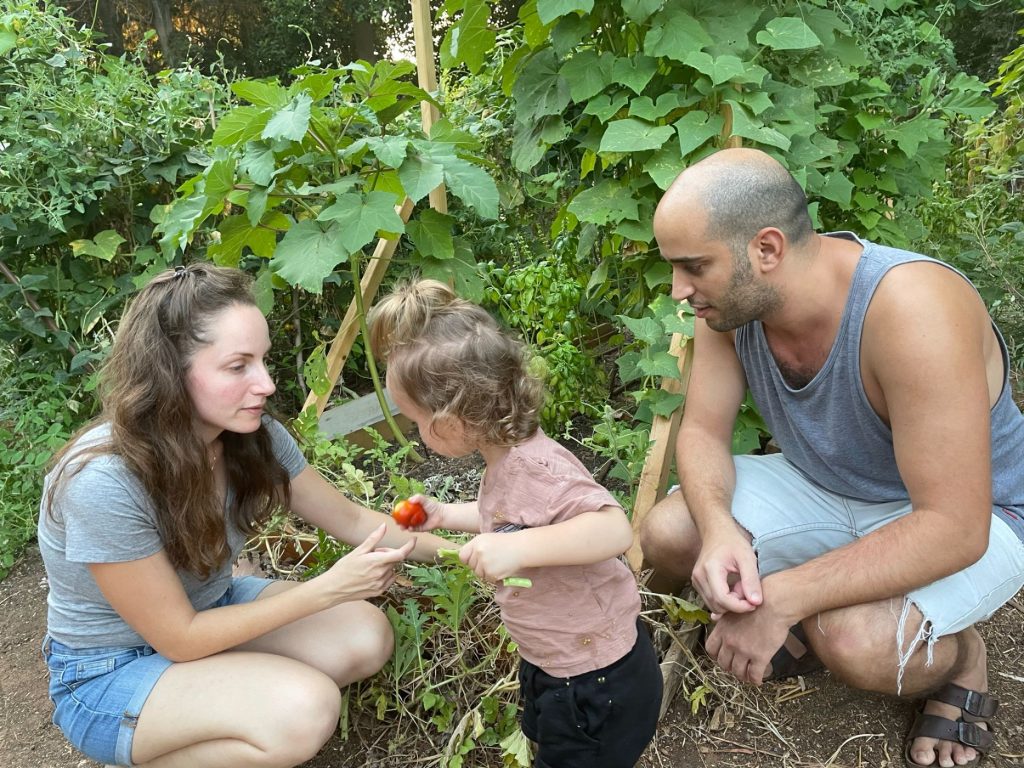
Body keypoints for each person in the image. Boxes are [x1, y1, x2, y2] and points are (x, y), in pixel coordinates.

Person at [638, 147, 1024, 768]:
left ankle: (964, 656)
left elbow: (956, 528)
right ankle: (821, 597)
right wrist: (717, 534)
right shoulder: (732, 311)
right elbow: (704, 435)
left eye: (693, 267)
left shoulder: (910, 308)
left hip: (979, 514)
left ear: (766, 249)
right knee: (671, 531)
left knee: (856, 642)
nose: (680, 291)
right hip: (830, 486)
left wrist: (787, 598)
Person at [38, 263, 451, 768]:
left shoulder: (251, 438)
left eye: (263, 361)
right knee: (304, 709)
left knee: (365, 637)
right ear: (169, 371)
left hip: (212, 608)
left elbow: (355, 522)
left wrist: (478, 550)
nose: (267, 384)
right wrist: (329, 587)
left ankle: (225, 695)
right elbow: (178, 637)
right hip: (109, 670)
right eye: (239, 367)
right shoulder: (105, 481)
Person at [368, 279, 662, 768]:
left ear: (451, 421)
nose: (418, 435)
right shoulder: (506, 463)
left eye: (415, 420)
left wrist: (518, 551)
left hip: (597, 678)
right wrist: (444, 516)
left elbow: (613, 529)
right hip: (556, 661)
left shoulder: (539, 467)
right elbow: (509, 520)